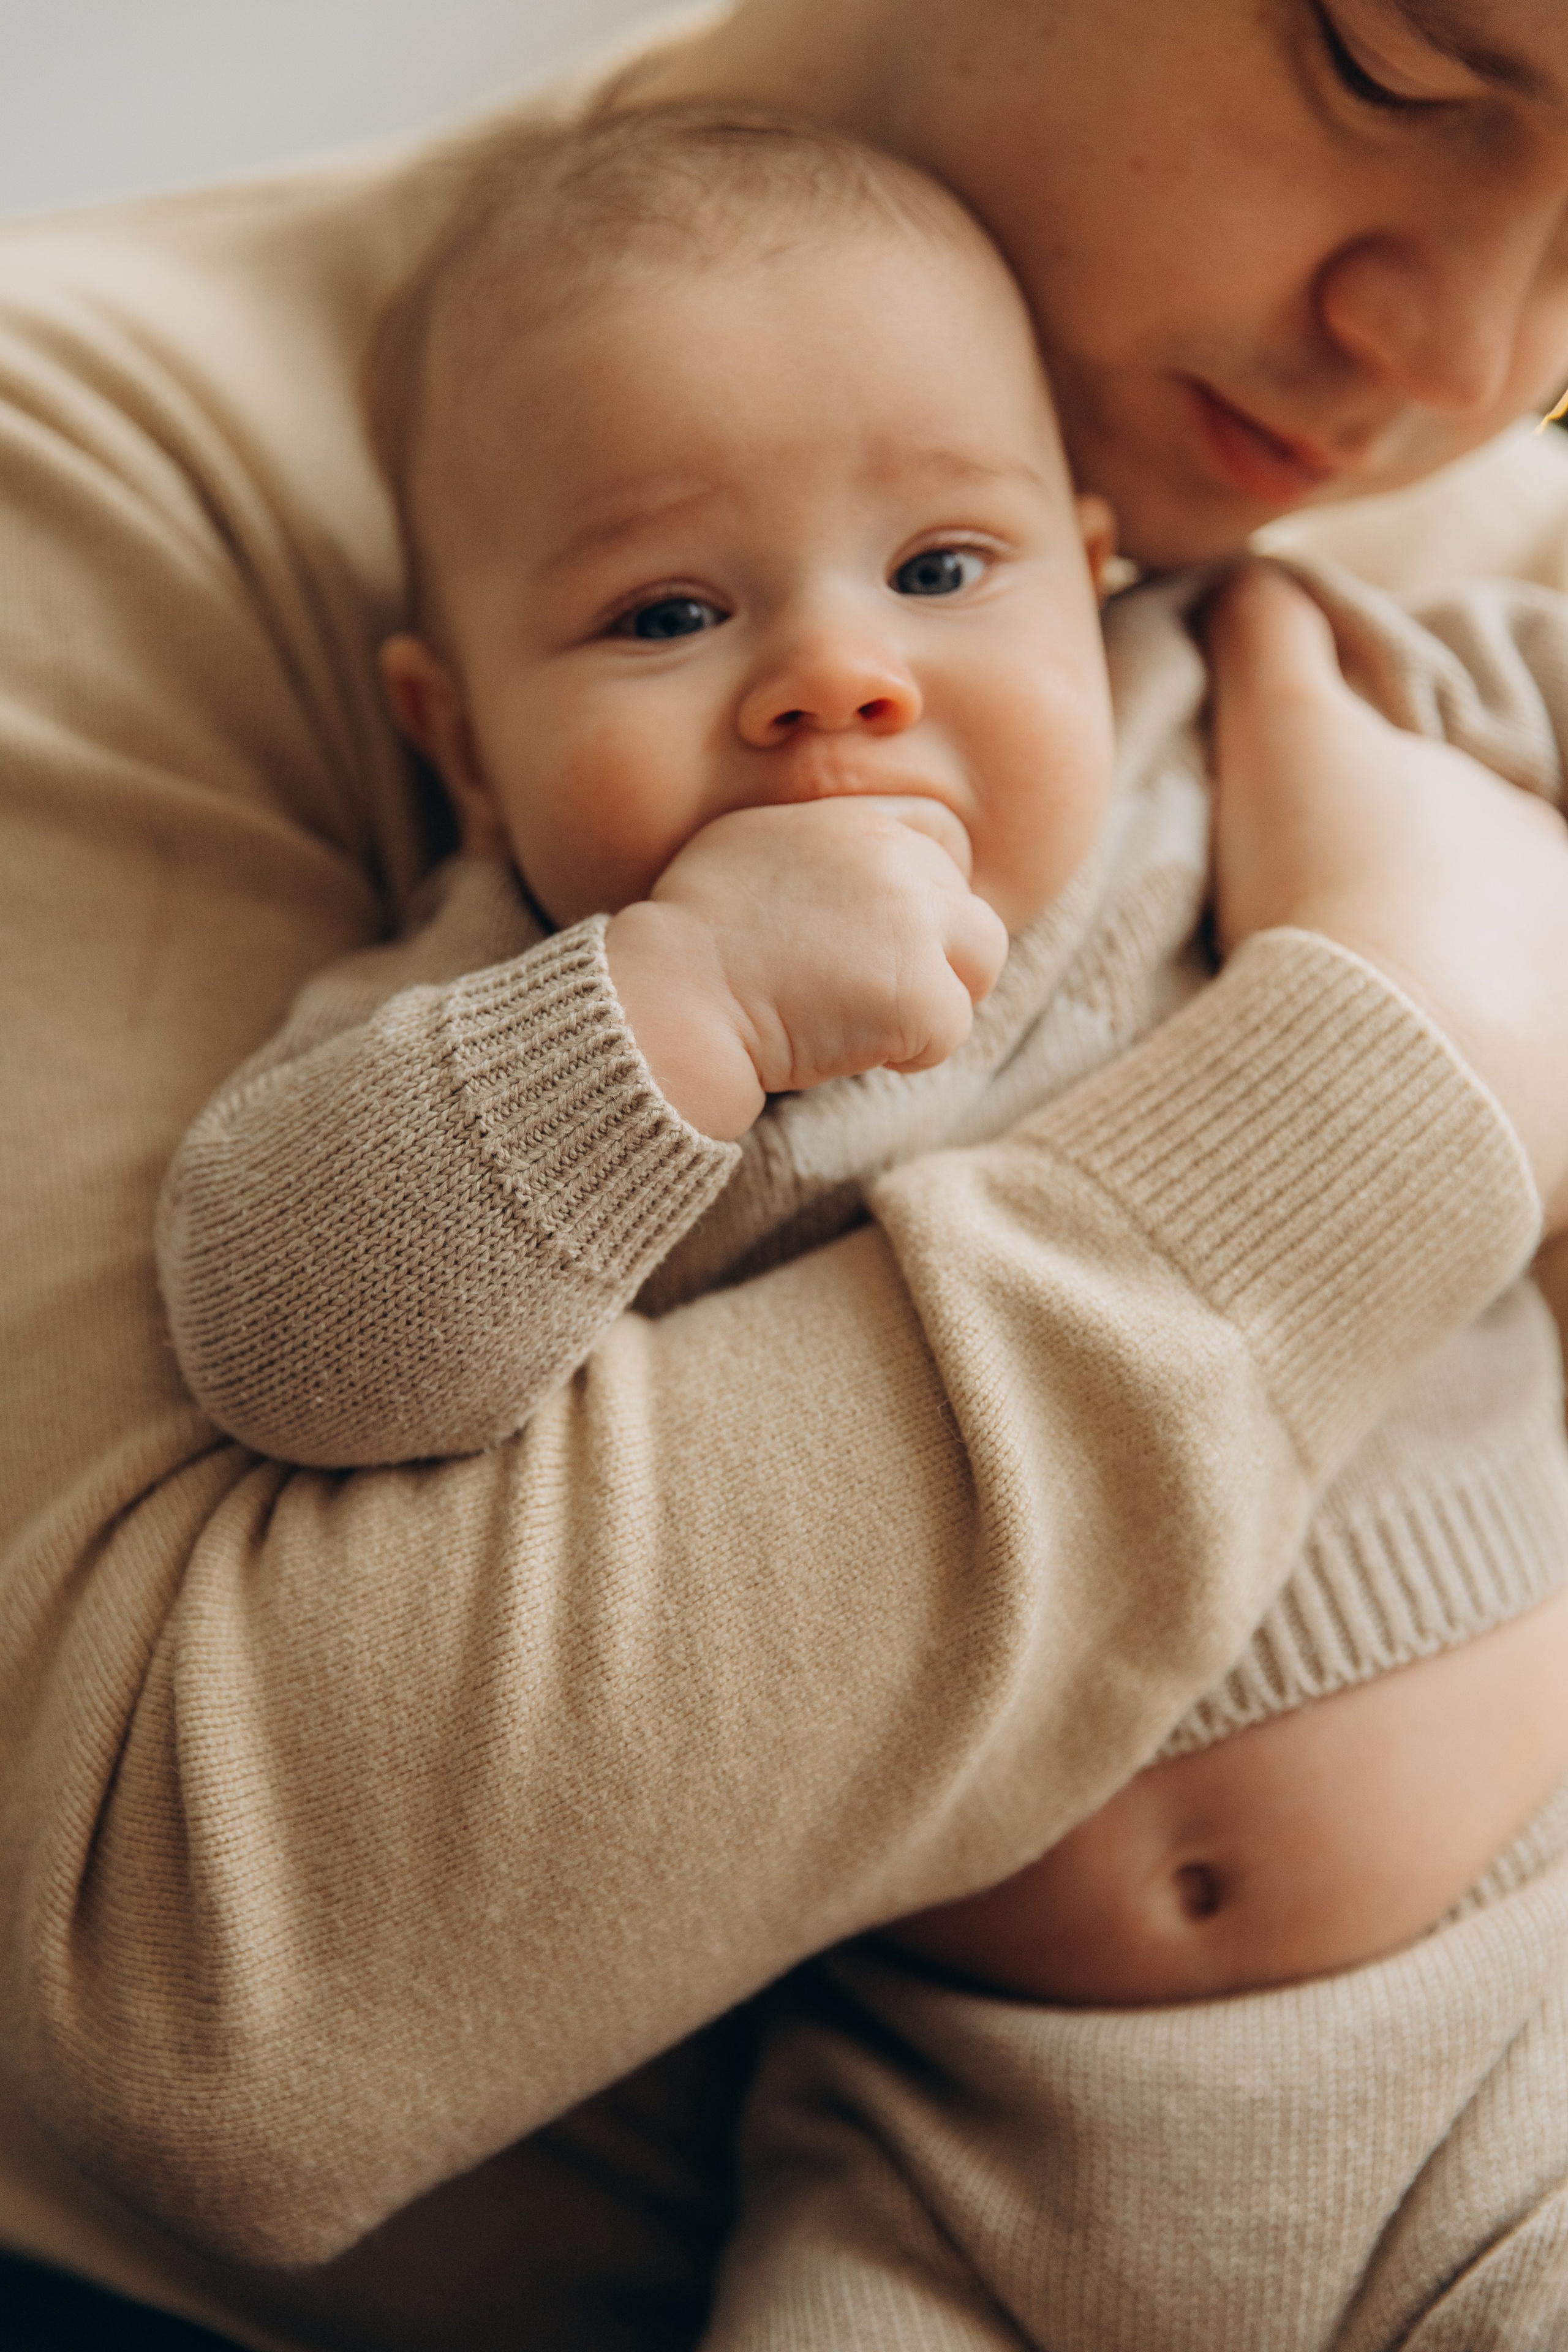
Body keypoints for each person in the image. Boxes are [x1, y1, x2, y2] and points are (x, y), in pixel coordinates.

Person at [5, 4, 1568, 2348]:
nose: (1455, 357)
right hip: (934, 2162)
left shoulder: (1317, 609)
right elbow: (187, 1988)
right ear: (452, 721)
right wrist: (1401, 1077)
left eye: (956, 561)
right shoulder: (131, 497)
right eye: (1393, 63)